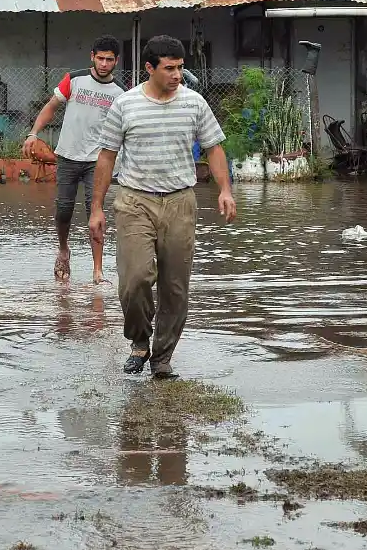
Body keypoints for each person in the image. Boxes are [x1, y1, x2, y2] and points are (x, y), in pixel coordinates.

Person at [89, 35, 236, 379]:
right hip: (134, 200)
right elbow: (106, 157)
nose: (177, 75)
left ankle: (162, 357)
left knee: (175, 286)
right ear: (149, 68)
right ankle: (139, 341)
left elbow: (214, 148)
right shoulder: (125, 105)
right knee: (135, 279)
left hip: (180, 201)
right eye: (169, 68)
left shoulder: (195, 103)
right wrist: (96, 208)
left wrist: (224, 190)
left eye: (180, 68)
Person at [23, 35, 125, 284]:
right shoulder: (74, 79)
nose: (103, 64)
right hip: (68, 155)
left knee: (96, 212)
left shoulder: (120, 93)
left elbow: (125, 129)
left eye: (109, 59)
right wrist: (33, 134)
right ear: (92, 56)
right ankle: (63, 249)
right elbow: (51, 106)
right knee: (63, 209)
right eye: (99, 58)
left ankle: (98, 270)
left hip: (99, 161)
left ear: (116, 61)